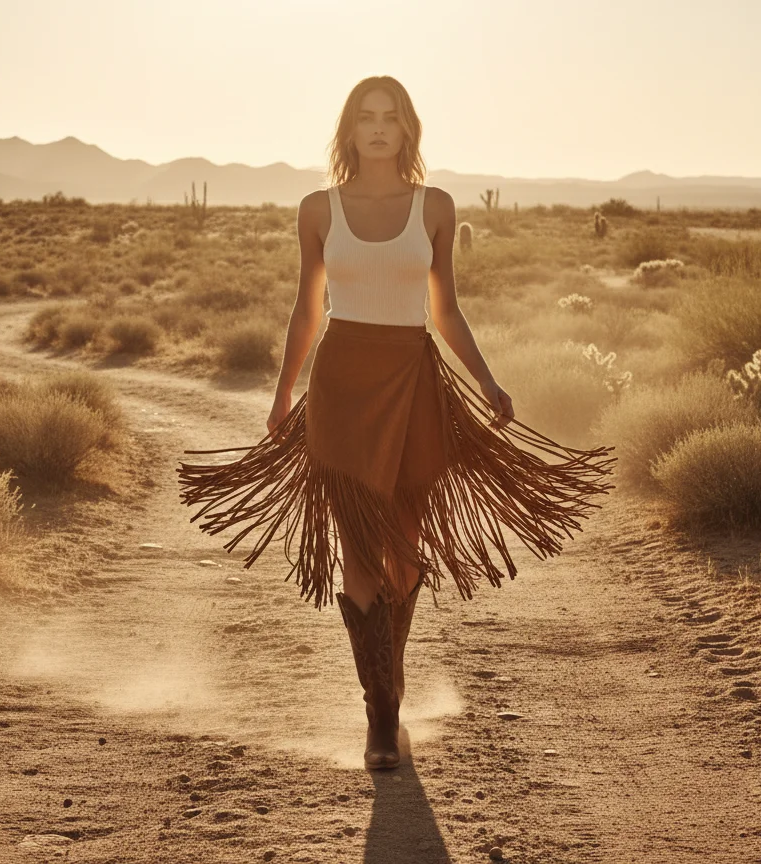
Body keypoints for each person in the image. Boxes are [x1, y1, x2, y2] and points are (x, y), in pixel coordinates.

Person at [176, 75, 616, 771]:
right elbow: (306, 309)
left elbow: (445, 309)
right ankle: (380, 713)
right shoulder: (318, 209)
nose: (378, 129)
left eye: (391, 118)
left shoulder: (435, 207)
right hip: (343, 383)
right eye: (365, 118)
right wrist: (283, 393)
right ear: (348, 131)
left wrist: (488, 378)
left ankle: (393, 681)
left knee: (406, 550)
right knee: (358, 548)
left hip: (415, 380)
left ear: (408, 129)